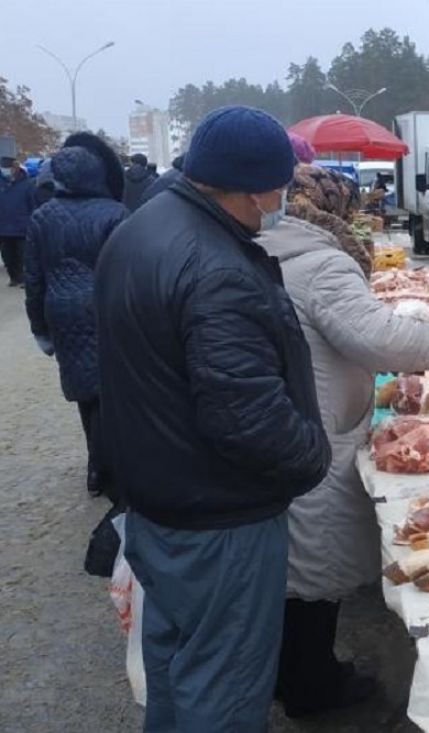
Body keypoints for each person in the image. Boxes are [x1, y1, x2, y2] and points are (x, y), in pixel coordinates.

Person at [95, 106, 331, 730]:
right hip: (220, 521)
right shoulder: (217, 269)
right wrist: (313, 455)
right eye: (281, 187)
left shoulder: (140, 229)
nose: (283, 199)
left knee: (175, 666)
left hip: (159, 499)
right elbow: (247, 416)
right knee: (224, 687)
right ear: (254, 190)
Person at [258, 164, 429, 719]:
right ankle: (312, 685)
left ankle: (295, 674)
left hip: (297, 418)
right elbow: (376, 337)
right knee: (315, 563)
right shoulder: (319, 262)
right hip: (321, 426)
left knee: (297, 562)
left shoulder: (270, 248)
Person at [24, 136, 128, 500]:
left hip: (62, 310)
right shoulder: (115, 213)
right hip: (107, 308)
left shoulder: (42, 217)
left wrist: (40, 328)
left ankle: (95, 466)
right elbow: (129, 269)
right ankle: (111, 464)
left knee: (85, 390)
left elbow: (34, 279)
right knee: (114, 389)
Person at [0, 156, 37, 286]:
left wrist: (32, 222)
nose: (5, 171)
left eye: (7, 168)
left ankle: (23, 277)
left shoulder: (28, 184)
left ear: (15, 168)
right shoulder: (1, 184)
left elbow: (33, 204)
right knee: (7, 256)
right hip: (4, 227)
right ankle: (14, 277)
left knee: (23, 256)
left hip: (22, 227)